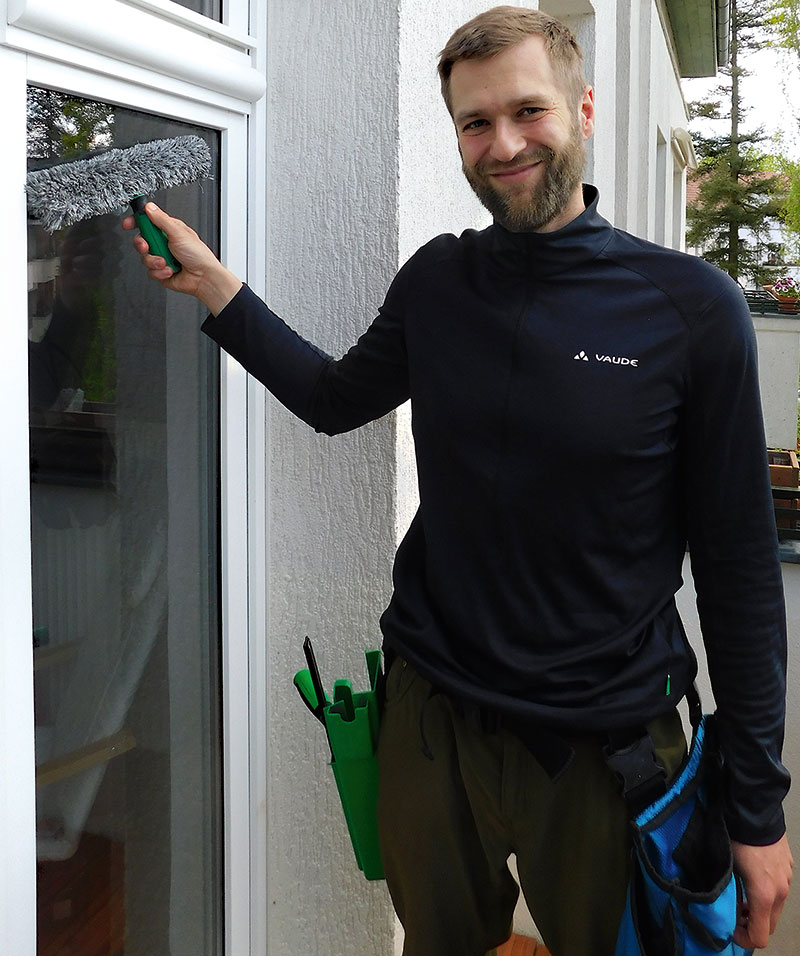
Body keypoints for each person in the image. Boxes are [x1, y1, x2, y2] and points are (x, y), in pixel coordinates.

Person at [124, 7, 793, 954]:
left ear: (584, 108)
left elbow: (738, 570)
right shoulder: (439, 281)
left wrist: (758, 809)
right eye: (476, 123)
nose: (504, 143)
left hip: (605, 751)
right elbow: (333, 396)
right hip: (431, 721)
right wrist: (215, 292)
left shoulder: (689, 310)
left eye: (529, 111)